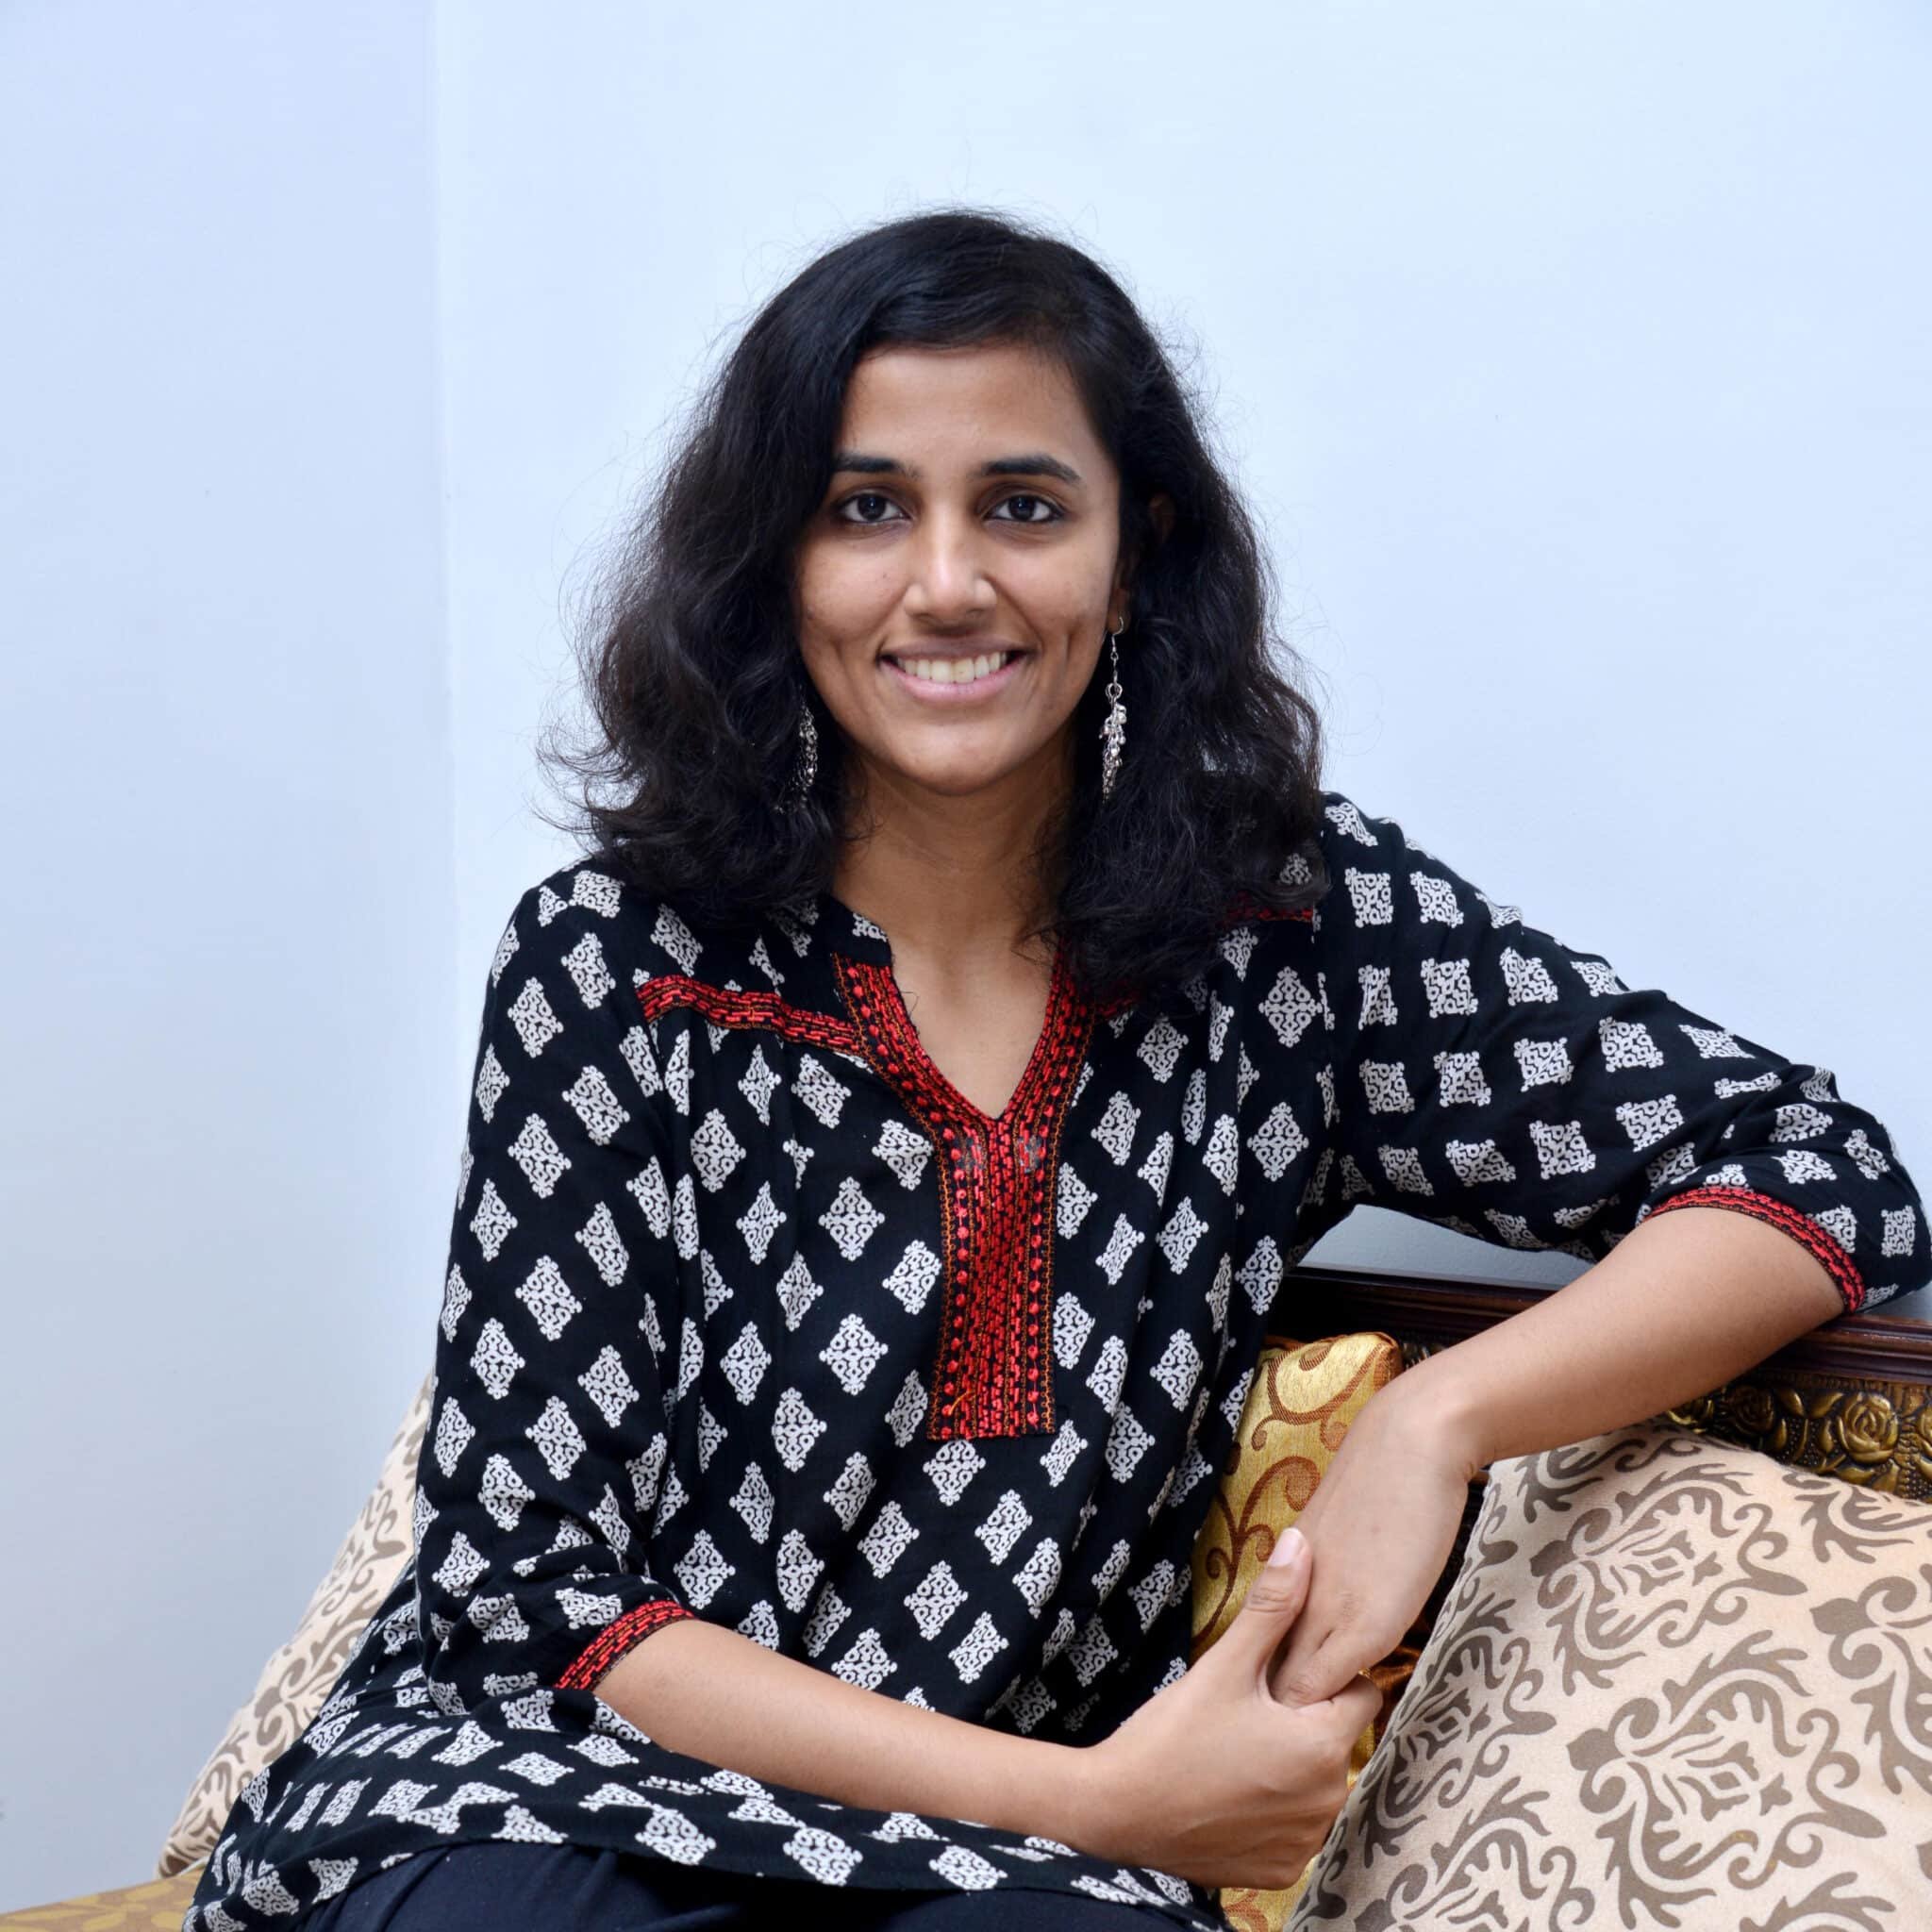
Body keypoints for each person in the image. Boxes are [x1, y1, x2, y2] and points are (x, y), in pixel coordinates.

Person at [185, 207, 1928, 1932]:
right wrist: (1101, 1801)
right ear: (774, 560)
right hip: (554, 1805)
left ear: (1138, 544)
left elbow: (1814, 1169)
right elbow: (538, 1610)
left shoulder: (1280, 933)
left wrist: (1441, 1418)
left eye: (1022, 505)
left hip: (994, 1883)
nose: (947, 584)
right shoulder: (618, 963)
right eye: (867, 509)